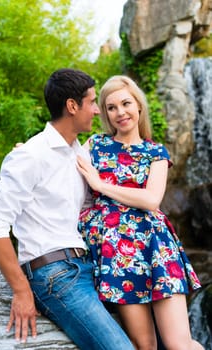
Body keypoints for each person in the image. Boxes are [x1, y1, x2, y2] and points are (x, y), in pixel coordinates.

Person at [0, 69, 135, 350]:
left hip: (88, 266)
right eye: (91, 102)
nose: (98, 110)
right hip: (55, 275)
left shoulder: (80, 153)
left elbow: (93, 207)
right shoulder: (30, 155)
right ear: (72, 106)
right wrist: (21, 290)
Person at [76, 75, 204, 350]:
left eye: (125, 103)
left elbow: (151, 200)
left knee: (179, 343)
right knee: (144, 344)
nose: (120, 112)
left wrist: (101, 185)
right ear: (106, 114)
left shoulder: (155, 152)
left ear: (139, 106)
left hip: (155, 247)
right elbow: (60, 167)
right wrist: (28, 153)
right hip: (118, 254)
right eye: (111, 107)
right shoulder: (96, 145)